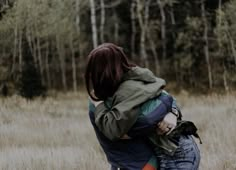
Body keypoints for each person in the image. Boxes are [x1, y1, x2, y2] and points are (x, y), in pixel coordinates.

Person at [85, 43, 200, 170]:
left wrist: (99, 104)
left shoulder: (128, 91)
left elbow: (113, 130)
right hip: (172, 150)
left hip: (177, 154)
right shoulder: (134, 80)